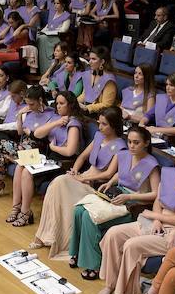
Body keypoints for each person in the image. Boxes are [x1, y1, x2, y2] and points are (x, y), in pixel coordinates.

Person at [98, 141, 175, 294]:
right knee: (113, 234)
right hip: (154, 223)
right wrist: (157, 218)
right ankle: (111, 285)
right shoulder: (169, 174)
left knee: (132, 245)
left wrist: (154, 216)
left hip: (174, 233)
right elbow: (158, 199)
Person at [28, 108, 126, 257]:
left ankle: (58, 239)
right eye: (99, 123)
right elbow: (82, 156)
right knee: (56, 184)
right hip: (83, 177)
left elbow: (108, 173)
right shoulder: (98, 136)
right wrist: (74, 170)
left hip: (94, 185)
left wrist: (84, 179)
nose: (100, 127)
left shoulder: (120, 146)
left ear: (114, 125)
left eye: (104, 124)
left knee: (59, 184)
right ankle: (45, 235)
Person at [68, 126, 162, 280]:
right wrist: (110, 182)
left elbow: (156, 194)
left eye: (136, 143)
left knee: (89, 217)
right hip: (116, 195)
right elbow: (122, 173)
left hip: (132, 205)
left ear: (146, 143)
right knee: (79, 210)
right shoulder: (124, 155)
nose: (131, 146)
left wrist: (129, 198)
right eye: (130, 142)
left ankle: (94, 265)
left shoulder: (152, 164)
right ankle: (77, 252)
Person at [8, 90, 83, 227]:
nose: (58, 106)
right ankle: (16, 207)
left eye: (62, 104)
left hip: (61, 163)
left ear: (70, 105)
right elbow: (37, 133)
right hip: (49, 157)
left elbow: (70, 151)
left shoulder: (74, 124)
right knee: (20, 166)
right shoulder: (57, 118)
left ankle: (26, 212)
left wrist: (54, 148)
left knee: (27, 172)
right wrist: (56, 123)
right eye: (57, 103)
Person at [139, 73, 175, 140]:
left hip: (171, 139)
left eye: (171, 85)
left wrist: (157, 130)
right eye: (167, 84)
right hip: (156, 135)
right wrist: (142, 124)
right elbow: (148, 115)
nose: (167, 88)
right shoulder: (162, 98)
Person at [0, 12, 30, 79]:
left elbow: (15, 35)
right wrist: (9, 26)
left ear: (18, 21)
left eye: (12, 22)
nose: (10, 24)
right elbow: (1, 35)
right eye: (9, 22)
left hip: (19, 53)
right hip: (10, 51)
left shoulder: (25, 31)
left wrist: (22, 26)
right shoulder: (11, 28)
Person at [77, 47, 117, 113]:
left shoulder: (109, 80)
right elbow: (84, 95)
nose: (90, 62)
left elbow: (107, 105)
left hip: (99, 114)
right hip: (85, 109)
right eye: (90, 59)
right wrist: (74, 102)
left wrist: (87, 108)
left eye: (93, 59)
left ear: (102, 61)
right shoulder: (90, 74)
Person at [37, 0, 71, 73]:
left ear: (63, 5)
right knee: (39, 37)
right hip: (48, 35)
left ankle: (50, 68)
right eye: (54, 3)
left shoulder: (66, 15)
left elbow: (64, 29)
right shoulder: (52, 13)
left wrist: (53, 31)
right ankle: (43, 69)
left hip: (58, 37)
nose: (55, 5)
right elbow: (48, 25)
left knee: (42, 38)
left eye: (58, 3)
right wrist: (43, 31)